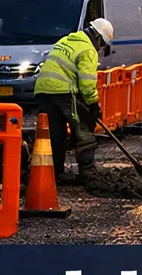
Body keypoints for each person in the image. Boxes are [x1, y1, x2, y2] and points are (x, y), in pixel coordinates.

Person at [33, 17, 114, 182]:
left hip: (43, 89)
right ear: (98, 37)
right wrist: (93, 105)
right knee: (83, 128)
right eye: (102, 44)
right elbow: (87, 83)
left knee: (55, 133)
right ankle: (87, 171)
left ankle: (54, 173)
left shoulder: (66, 40)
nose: (100, 48)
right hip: (63, 90)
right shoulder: (88, 50)